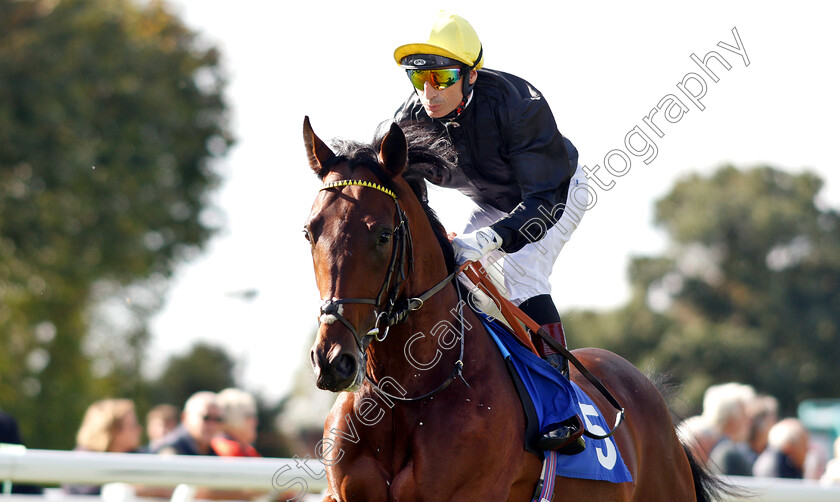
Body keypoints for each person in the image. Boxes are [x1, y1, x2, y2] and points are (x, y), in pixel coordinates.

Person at [392, 10, 587, 454]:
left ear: (471, 74)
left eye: (441, 77)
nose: (429, 92)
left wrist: (492, 239)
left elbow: (544, 203)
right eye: (417, 78)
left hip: (557, 193)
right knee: (447, 275)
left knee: (520, 275)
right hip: (489, 202)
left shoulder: (518, 103)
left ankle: (561, 409)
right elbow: (401, 189)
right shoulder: (412, 119)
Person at [63, 398, 143, 495]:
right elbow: (85, 493)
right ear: (113, 431)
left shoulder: (137, 457)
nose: (139, 429)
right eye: (133, 425)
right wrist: (131, 489)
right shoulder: (81, 461)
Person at [702, 382, 756, 476]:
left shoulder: (718, 449)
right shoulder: (728, 454)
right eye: (745, 415)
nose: (750, 421)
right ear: (731, 419)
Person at [152, 391, 222, 456]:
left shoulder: (213, 452)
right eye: (206, 418)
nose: (212, 425)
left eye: (217, 419)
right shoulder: (170, 451)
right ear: (185, 417)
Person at [211, 388, 260, 457]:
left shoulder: (247, 450)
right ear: (232, 418)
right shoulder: (228, 450)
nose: (255, 421)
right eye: (249, 416)